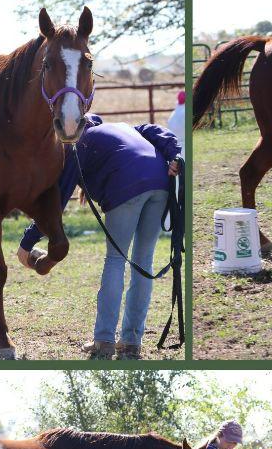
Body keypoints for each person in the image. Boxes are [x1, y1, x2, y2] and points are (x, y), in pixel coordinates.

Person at [16, 114, 181, 360]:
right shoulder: (124, 128)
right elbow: (157, 131)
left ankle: (103, 340)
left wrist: (27, 243)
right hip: (161, 184)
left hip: (126, 187)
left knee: (115, 260)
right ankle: (131, 343)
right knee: (143, 262)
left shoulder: (75, 146)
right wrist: (176, 155)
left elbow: (56, 203)